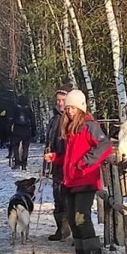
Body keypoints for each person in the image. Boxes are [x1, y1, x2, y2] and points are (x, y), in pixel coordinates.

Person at [44, 89, 112, 254]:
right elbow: (69, 156)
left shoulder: (90, 125)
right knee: (73, 220)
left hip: (85, 179)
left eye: (73, 108)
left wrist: (84, 162)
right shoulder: (70, 127)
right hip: (70, 180)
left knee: (82, 218)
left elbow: (105, 146)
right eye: (68, 108)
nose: (69, 111)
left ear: (80, 107)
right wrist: (56, 158)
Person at [45, 84, 72, 241]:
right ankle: (61, 229)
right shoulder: (54, 118)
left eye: (63, 100)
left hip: (67, 163)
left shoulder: (72, 120)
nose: (60, 103)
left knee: (68, 198)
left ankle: (71, 229)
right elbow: (50, 141)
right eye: (58, 100)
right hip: (56, 163)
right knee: (58, 197)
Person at [11, 95, 36, 170]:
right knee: (25, 148)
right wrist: (34, 131)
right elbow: (33, 121)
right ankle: (24, 163)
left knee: (15, 147)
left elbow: (11, 119)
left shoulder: (15, 108)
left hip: (17, 130)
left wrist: (9, 130)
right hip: (27, 131)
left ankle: (17, 163)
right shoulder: (28, 109)